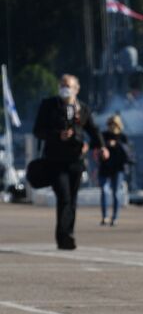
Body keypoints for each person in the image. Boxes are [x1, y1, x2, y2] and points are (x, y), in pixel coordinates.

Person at [32, 73, 106, 250]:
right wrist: (58, 135)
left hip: (76, 160)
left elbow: (93, 130)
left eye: (69, 86)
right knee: (64, 197)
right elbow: (38, 131)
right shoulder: (49, 105)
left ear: (76, 89)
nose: (65, 88)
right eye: (62, 85)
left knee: (72, 199)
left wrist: (100, 147)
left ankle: (68, 234)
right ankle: (64, 236)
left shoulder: (83, 109)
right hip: (55, 160)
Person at [97, 113, 133, 226]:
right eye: (110, 123)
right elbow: (97, 148)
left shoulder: (123, 137)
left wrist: (116, 144)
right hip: (105, 167)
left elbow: (128, 153)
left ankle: (115, 217)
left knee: (116, 193)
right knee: (104, 190)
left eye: (114, 124)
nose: (111, 126)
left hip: (118, 168)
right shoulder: (103, 135)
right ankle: (104, 216)